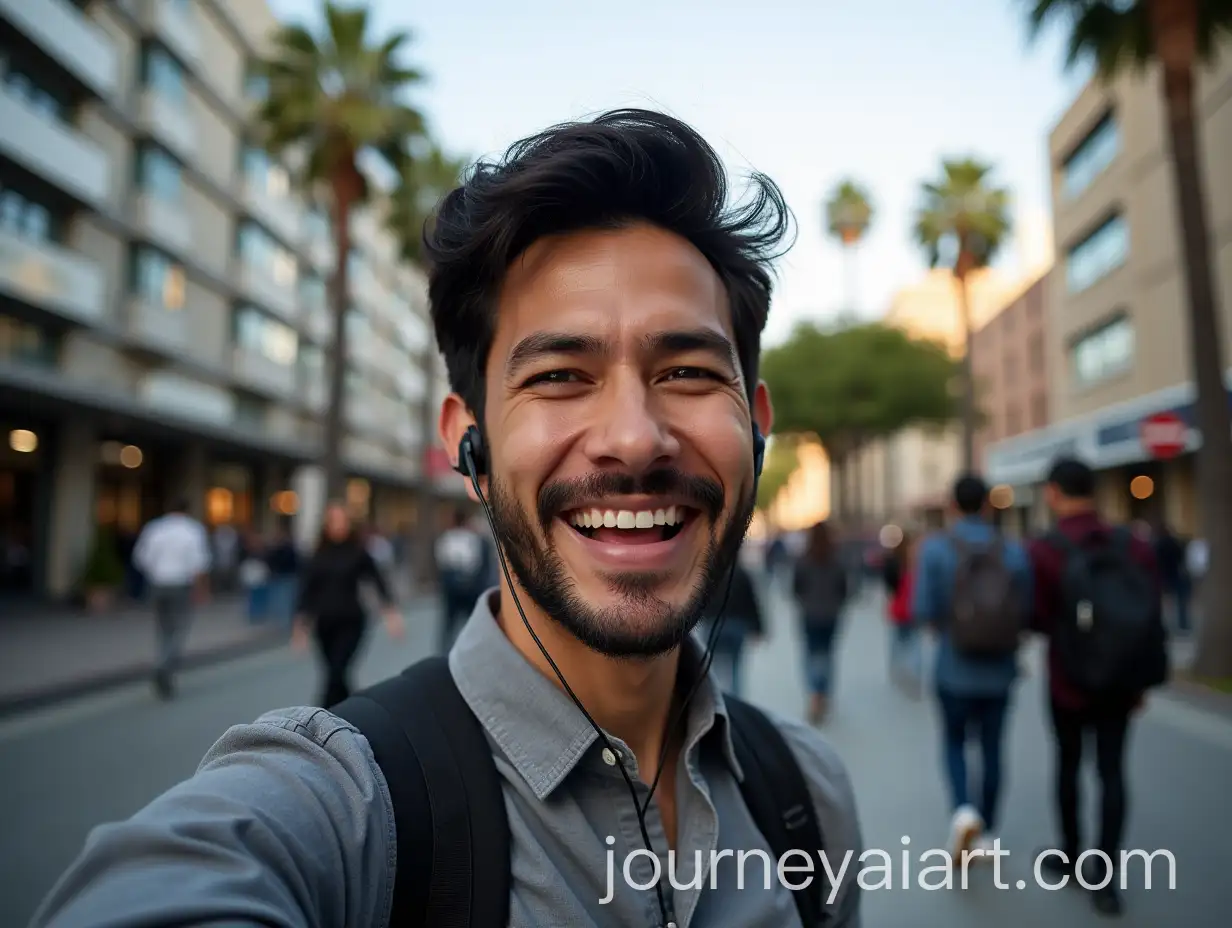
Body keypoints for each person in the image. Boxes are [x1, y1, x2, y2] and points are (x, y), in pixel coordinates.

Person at [31, 109, 862, 928]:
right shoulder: (344, 806)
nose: (633, 439)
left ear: (756, 426)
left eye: (685, 370)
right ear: (469, 443)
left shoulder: (807, 794)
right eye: (560, 376)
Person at [1028, 457, 1165, 917]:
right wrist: (1141, 677)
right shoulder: (1131, 545)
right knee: (1112, 772)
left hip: (1067, 678)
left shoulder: (1047, 549)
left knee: (1068, 766)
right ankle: (1105, 880)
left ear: (1053, 493)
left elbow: (1039, 616)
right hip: (1120, 681)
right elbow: (1150, 613)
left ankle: (1069, 855)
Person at [911, 475, 1032, 859]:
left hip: (953, 665)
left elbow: (922, 609)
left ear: (952, 505)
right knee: (994, 748)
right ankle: (989, 828)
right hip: (1000, 669)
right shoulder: (1012, 550)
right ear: (986, 505)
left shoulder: (936, 549)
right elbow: (1025, 608)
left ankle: (964, 813)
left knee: (954, 742)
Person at [292, 502, 404, 707]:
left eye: (342, 521)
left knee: (337, 672)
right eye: (333, 521)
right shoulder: (317, 554)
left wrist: (391, 615)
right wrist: (300, 628)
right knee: (336, 675)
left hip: (351, 621)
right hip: (324, 624)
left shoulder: (359, 552)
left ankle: (319, 717)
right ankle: (356, 710)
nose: (338, 526)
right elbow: (306, 591)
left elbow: (378, 582)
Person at [130, 498, 212, 699]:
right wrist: (202, 590)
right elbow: (199, 563)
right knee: (179, 629)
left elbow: (141, 558)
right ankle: (164, 667)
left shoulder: (155, 528)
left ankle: (162, 663)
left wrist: (155, 572)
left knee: (163, 628)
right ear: (187, 510)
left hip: (158, 583)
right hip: (181, 585)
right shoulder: (193, 530)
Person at [792, 520, 850, 723]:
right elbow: (844, 589)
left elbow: (796, 588)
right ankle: (823, 693)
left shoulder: (803, 560)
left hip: (810, 614)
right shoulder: (836, 560)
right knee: (827, 654)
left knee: (811, 654)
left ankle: (815, 694)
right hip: (831, 614)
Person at [698, 551, 763, 698]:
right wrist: (758, 627)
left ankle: (715, 700)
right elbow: (752, 603)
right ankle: (735, 700)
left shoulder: (710, 576)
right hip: (737, 626)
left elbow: (700, 603)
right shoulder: (742, 574)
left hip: (713, 625)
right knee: (735, 667)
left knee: (712, 667)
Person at [434, 506, 490, 651]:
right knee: (470, 620)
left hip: (452, 585)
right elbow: (478, 562)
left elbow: (441, 562)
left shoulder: (446, 538)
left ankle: (444, 651)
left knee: (449, 622)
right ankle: (474, 648)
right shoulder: (472, 539)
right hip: (469, 585)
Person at [886, 531, 922, 696]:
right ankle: (912, 673)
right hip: (914, 607)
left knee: (898, 641)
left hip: (900, 608)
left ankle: (898, 671)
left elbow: (890, 585)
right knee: (914, 642)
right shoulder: (918, 561)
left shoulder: (894, 561)